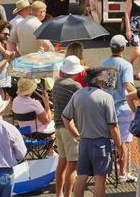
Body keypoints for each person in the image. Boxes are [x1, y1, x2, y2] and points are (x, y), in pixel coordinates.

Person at [62, 68, 122, 197]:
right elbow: (113, 126)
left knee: (81, 177)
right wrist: (119, 146)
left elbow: (65, 117)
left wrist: (76, 135)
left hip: (84, 142)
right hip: (101, 143)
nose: (107, 76)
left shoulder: (78, 94)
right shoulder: (106, 97)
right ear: (98, 79)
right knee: (100, 179)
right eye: (104, 74)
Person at [100, 35, 136, 183]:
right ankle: (123, 173)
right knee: (124, 142)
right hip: (122, 108)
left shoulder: (104, 63)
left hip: (107, 107)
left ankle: (109, 169)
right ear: (123, 48)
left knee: (110, 141)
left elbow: (106, 85)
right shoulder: (126, 65)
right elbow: (127, 85)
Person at [53, 56, 84, 197]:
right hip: (70, 128)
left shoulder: (57, 83)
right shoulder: (75, 86)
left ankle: (59, 194)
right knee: (73, 165)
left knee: (62, 162)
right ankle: (67, 195)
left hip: (58, 126)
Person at [0, 92, 27, 197]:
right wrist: (14, 159)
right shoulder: (10, 129)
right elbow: (22, 152)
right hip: (7, 172)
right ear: (2, 110)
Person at [0, 21, 12, 98]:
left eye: (8, 34)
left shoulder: (3, 45)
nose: (7, 36)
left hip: (2, 85)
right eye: (4, 34)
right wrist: (6, 59)